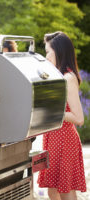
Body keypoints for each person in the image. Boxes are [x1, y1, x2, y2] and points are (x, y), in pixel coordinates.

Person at [37, 31, 86, 200]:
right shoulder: (59, 76)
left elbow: (79, 118)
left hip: (64, 140)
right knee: (53, 192)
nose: (46, 56)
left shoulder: (68, 78)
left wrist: (53, 112)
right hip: (53, 138)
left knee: (66, 192)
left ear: (58, 51)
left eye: (48, 51)